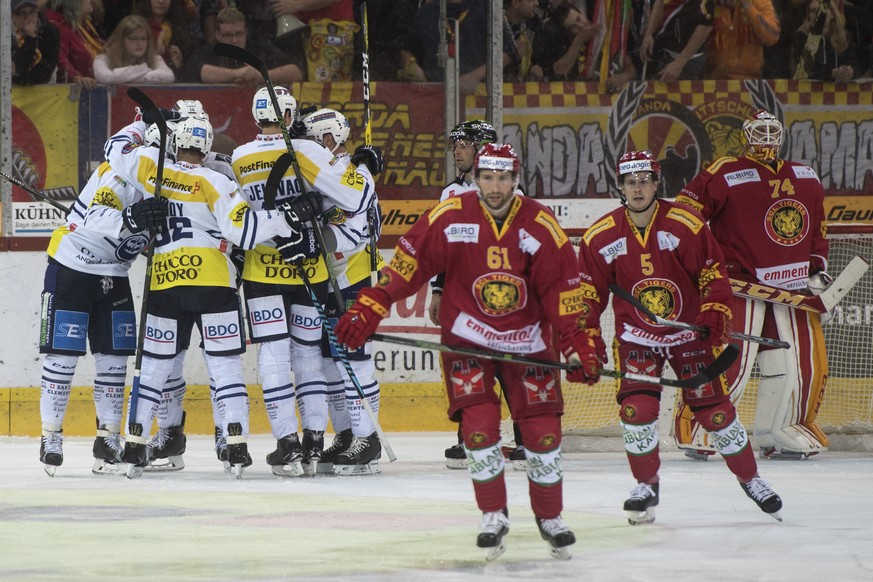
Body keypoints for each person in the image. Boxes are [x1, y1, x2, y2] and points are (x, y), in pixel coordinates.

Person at [334, 143, 600, 560]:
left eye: (504, 178)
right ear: (476, 177)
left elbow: (562, 291)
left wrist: (577, 342)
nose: (495, 187)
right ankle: (493, 514)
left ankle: (550, 517)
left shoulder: (540, 224)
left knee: (542, 434)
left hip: (527, 344)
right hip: (468, 341)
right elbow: (408, 266)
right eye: (488, 177)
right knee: (478, 430)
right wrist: (373, 302)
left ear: (516, 179)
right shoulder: (450, 215)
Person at [577, 150, 783, 525]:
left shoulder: (685, 225)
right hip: (637, 338)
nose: (638, 188)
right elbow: (589, 294)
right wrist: (586, 338)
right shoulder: (601, 235)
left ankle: (752, 479)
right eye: (630, 182)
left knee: (716, 412)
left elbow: (712, 275)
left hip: (688, 336)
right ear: (620, 187)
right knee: (636, 412)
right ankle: (646, 485)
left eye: (644, 181)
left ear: (657, 183)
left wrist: (714, 312)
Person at [103, 111, 308, 478]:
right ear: (208, 146)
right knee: (225, 369)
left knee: (152, 369)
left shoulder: (153, 168)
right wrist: (286, 218)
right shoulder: (217, 181)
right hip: (215, 285)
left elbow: (114, 150)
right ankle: (236, 445)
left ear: (175, 142)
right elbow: (245, 233)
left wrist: (137, 123)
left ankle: (134, 446)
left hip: (166, 285)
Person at [231, 86, 380, 477]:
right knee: (309, 357)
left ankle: (288, 445)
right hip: (310, 271)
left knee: (273, 358)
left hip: (261, 270)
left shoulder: (240, 156)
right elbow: (357, 197)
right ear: (292, 114)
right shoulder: (307, 151)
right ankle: (315, 440)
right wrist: (363, 166)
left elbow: (240, 218)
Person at [674, 110, 830, 461]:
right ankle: (702, 427)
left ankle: (785, 428)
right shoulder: (726, 171)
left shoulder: (805, 175)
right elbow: (686, 213)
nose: (765, 137)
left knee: (800, 365)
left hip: (793, 288)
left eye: (771, 131)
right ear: (746, 135)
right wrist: (697, 260)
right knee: (731, 362)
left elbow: (818, 226)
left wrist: (817, 265)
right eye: (758, 131)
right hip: (739, 284)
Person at [36, 154, 158, 476]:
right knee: (62, 357)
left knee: (116, 361)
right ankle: (50, 436)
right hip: (73, 268)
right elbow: (97, 215)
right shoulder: (120, 179)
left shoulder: (172, 191)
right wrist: (130, 218)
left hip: (115, 276)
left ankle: (108, 439)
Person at [430, 120, 526, 472]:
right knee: (467, 366)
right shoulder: (449, 194)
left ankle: (525, 438)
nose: (457, 150)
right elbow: (441, 247)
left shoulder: (514, 193)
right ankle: (470, 437)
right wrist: (438, 290)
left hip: (503, 297)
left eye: (464, 143)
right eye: (455, 143)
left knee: (512, 369)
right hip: (463, 299)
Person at [300, 107, 386, 475]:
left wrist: (319, 242)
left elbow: (358, 230)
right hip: (328, 277)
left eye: (314, 139)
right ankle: (348, 433)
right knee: (328, 359)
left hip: (354, 277)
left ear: (329, 139)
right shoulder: (328, 174)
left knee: (354, 356)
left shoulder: (351, 175)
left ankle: (367, 439)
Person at [400, 0, 510, 93]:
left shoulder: (486, 9)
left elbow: (506, 54)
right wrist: (414, 69)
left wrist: (475, 76)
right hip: (433, 98)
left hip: (478, 99)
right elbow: (407, 51)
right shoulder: (426, 12)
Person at [184, 6, 302, 84]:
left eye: (239, 34)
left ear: (245, 33)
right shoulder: (207, 51)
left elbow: (296, 71)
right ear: (218, 35)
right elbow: (196, 70)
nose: (234, 40)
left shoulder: (260, 49)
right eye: (228, 35)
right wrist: (237, 74)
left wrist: (259, 77)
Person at [639, 0, 715, 82]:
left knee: (671, 93)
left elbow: (705, 27)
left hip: (687, 59)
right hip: (663, 50)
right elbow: (659, 3)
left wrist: (680, 63)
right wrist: (649, 34)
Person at [704, 0, 779, 79]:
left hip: (749, 80)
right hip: (714, 81)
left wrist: (748, 6)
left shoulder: (760, 2)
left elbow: (772, 37)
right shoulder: (707, 4)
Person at [93, 14, 175, 84]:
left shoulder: (156, 59)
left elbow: (169, 76)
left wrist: (122, 77)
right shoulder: (103, 59)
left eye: (143, 39)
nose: (140, 43)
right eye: (134, 38)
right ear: (121, 39)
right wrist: (144, 70)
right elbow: (106, 77)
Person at [531, 0, 602, 81]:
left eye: (579, 19)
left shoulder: (602, 27)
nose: (581, 26)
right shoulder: (568, 44)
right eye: (573, 27)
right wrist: (579, 39)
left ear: (581, 13)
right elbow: (559, 70)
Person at [791, 0, 857, 81]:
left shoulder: (844, 37)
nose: (817, 15)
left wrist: (850, 71)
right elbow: (805, 70)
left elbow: (855, 63)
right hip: (808, 91)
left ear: (832, 14)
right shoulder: (801, 37)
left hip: (839, 92)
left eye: (821, 11)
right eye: (812, 11)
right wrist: (832, 73)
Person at [44, 0, 104, 88]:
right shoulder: (57, 27)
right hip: (74, 94)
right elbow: (60, 62)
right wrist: (77, 78)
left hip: (94, 89)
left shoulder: (83, 23)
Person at [134, 0, 196, 80]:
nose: (161, 1)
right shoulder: (136, 28)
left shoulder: (179, 29)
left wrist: (179, 66)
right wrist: (156, 55)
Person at [12, 0, 61, 85]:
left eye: (31, 12)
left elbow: (45, 74)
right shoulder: (6, 37)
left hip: (45, 92)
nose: (28, 18)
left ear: (37, 12)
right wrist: (30, 39)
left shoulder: (49, 32)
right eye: (22, 13)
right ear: (13, 16)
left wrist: (19, 77)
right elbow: (19, 67)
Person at [503, 0, 544, 81]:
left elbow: (539, 55)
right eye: (530, 1)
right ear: (515, 3)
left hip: (525, 87)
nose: (537, 3)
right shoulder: (493, 25)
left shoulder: (535, 23)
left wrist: (535, 66)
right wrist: (513, 57)